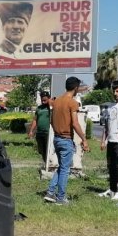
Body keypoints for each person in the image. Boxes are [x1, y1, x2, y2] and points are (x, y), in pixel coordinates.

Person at [43, 77, 89, 205]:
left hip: (57, 139)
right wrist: (84, 139)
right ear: (75, 88)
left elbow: (51, 121)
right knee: (65, 169)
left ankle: (50, 192)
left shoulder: (56, 101)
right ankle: (61, 198)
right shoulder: (72, 103)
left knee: (62, 167)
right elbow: (75, 123)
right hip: (66, 139)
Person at [27, 90, 51, 162]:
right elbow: (35, 120)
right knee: (41, 150)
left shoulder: (51, 108)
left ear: (48, 98)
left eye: (45, 99)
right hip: (39, 132)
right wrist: (31, 131)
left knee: (48, 150)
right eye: (42, 99)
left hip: (48, 132)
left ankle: (48, 163)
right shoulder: (39, 108)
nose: (43, 101)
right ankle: (45, 162)